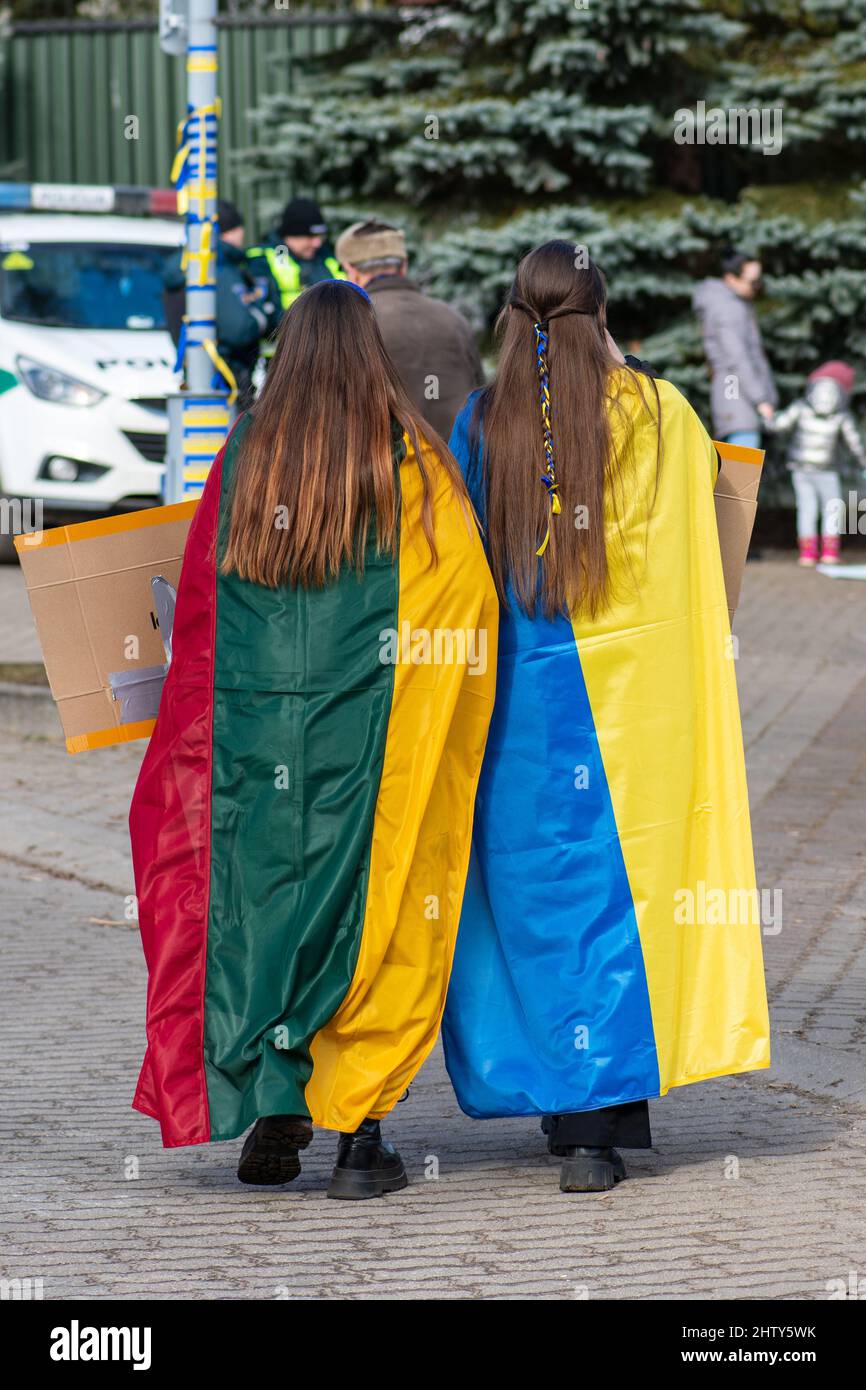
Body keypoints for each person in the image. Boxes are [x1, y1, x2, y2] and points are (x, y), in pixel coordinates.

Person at [129, 280, 498, 1198]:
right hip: (369, 749)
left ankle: (271, 1118)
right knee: (369, 923)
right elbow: (465, 602)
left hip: (255, 753)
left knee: (267, 926)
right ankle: (359, 1143)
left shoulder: (248, 453)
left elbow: (203, 616)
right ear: (370, 356)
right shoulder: (410, 462)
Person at [440, 241, 770, 1193]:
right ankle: (600, 1127)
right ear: (604, 311)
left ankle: (560, 1102)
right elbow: (705, 538)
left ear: (512, 315)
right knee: (623, 907)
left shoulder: (482, 419)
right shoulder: (661, 413)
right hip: (635, 719)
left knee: (533, 906)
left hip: (516, 719)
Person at [335, 219, 485, 439]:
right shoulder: (454, 320)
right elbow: (480, 401)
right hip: (454, 466)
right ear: (403, 266)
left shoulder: (350, 324)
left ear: (352, 271)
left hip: (389, 468)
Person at [163, 199, 282, 409]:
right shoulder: (219, 270)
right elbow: (240, 328)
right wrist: (262, 314)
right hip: (228, 382)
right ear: (231, 231)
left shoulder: (186, 267)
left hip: (199, 375)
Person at [768, 360, 866, 566]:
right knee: (832, 508)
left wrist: (768, 418)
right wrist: (863, 463)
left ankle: (808, 554)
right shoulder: (841, 416)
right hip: (827, 469)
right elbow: (855, 444)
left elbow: (779, 425)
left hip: (800, 468)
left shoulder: (800, 408)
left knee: (806, 508)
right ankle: (830, 553)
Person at [693, 249, 777, 448]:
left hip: (738, 396)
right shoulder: (727, 308)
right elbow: (737, 357)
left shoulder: (733, 303)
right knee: (741, 476)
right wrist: (761, 399)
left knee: (740, 474)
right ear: (731, 278)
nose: (757, 287)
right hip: (737, 396)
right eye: (752, 281)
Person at [248, 196, 346, 311]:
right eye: (310, 237)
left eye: (320, 236)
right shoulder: (262, 260)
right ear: (290, 235)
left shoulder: (327, 255)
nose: (317, 243)